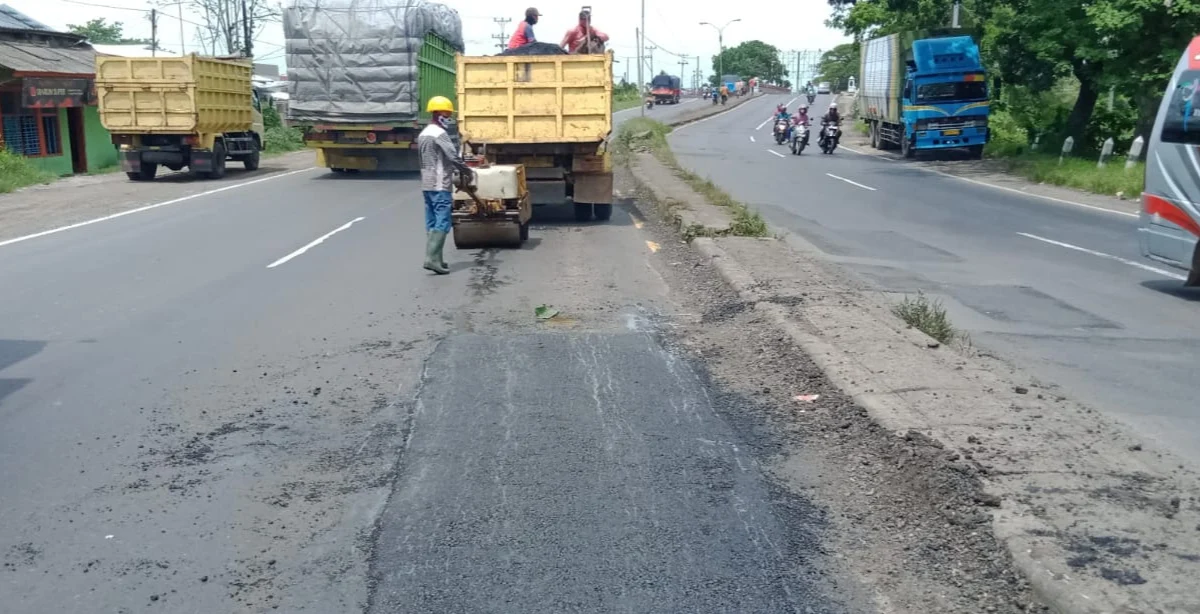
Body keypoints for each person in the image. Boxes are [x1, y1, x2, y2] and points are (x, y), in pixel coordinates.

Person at [418, 96, 473, 275]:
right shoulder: (439, 134)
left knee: (432, 221)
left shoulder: (424, 133)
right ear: (439, 114)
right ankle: (431, 259)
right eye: (447, 113)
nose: (449, 117)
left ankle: (438, 259)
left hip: (426, 184)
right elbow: (453, 156)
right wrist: (467, 171)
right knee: (442, 220)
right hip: (440, 184)